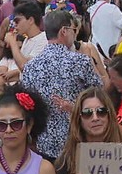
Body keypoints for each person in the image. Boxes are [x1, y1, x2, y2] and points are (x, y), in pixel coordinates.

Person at [21, 10, 102, 161]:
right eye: (73, 29)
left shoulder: (30, 67)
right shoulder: (81, 62)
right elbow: (99, 94)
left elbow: (26, 106)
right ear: (63, 31)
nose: (74, 34)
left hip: (43, 145)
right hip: (77, 141)